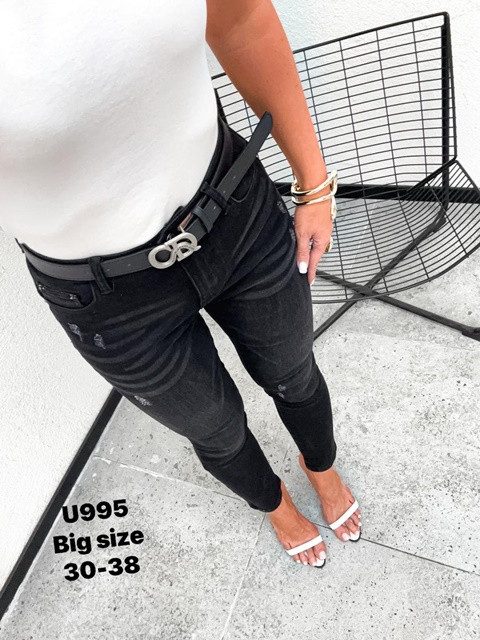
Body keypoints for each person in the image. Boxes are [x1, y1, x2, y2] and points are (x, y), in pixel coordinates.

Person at [1, 0, 361, 568]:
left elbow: (242, 21)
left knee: (293, 371)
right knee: (216, 429)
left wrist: (314, 185)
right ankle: (275, 505)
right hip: (103, 297)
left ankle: (321, 465)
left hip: (235, 211)